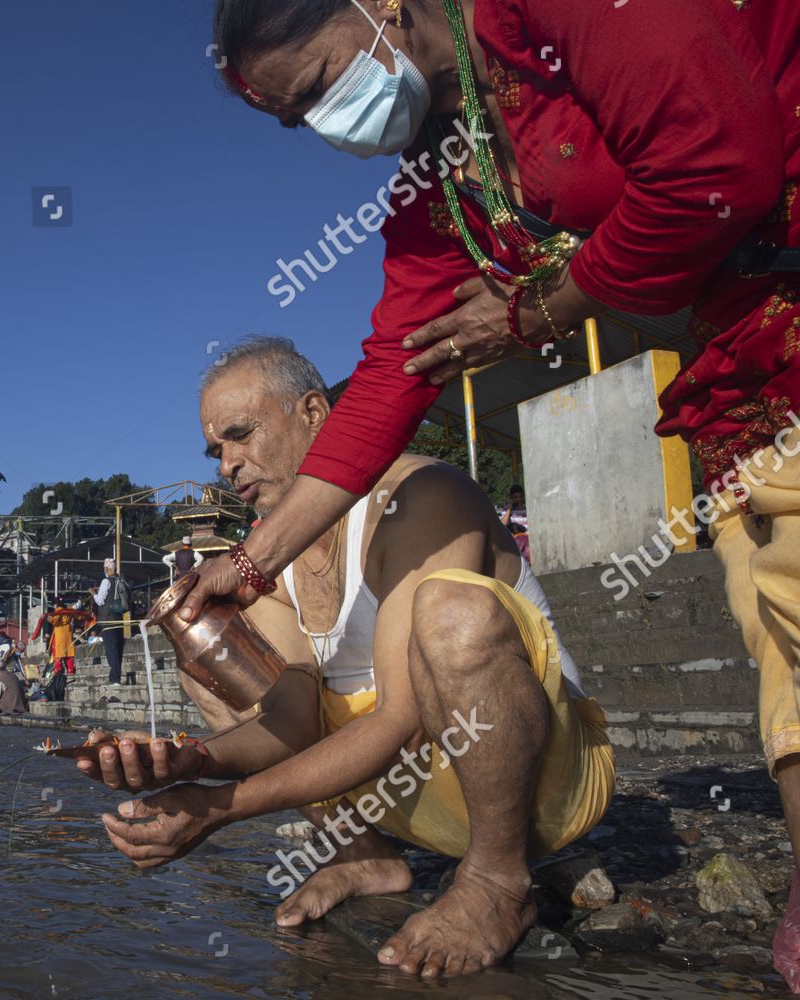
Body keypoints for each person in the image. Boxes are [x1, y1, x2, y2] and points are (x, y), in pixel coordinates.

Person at [198, 2, 800, 985]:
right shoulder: (443, 184)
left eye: (314, 90)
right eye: (293, 121)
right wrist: (252, 561)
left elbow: (715, 167)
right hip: (745, 338)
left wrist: (544, 307)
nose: (323, 130)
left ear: (377, 5)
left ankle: (498, 871)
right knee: (770, 595)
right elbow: (397, 370)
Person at [81, 339, 611, 979]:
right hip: (411, 797)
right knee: (215, 651)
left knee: (452, 611)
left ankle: (498, 880)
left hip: (541, 787)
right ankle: (364, 854)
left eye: (241, 436)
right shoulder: (267, 559)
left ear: (313, 413)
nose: (227, 465)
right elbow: (293, 722)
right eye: (217, 450)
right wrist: (191, 763)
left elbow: (401, 722)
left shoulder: (420, 495)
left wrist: (218, 808)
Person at [30, 600, 96, 683]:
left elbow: (54, 620)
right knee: (69, 654)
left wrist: (47, 617)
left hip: (59, 636)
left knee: (58, 655)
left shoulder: (58, 611)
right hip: (68, 635)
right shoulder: (69, 612)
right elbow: (79, 616)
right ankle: (70, 670)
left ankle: (58, 671)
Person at [92, 558, 132, 685]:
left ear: (107, 569)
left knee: (111, 649)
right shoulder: (122, 580)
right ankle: (115, 677)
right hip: (119, 619)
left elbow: (100, 601)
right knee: (118, 648)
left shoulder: (106, 581)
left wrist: (93, 593)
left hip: (107, 621)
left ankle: (115, 678)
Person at [499, 484, 530, 563]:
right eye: (516, 497)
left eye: (520, 496)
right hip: (516, 538)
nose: (519, 499)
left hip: (528, 537)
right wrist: (510, 509)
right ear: (512, 498)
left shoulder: (528, 506)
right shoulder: (508, 509)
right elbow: (503, 524)